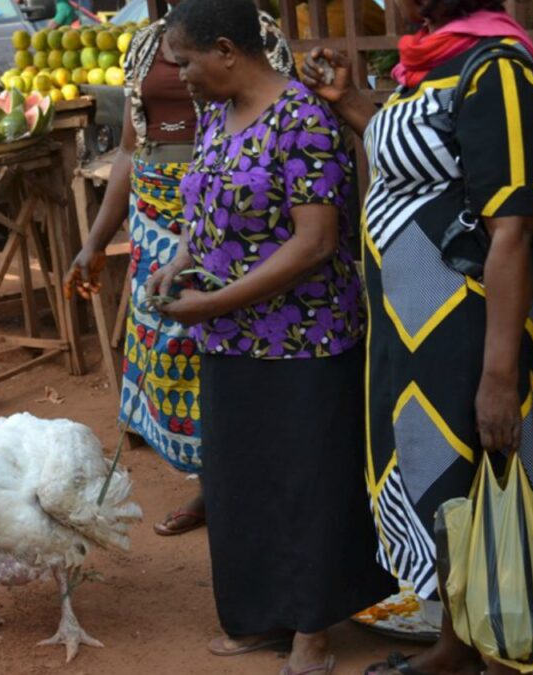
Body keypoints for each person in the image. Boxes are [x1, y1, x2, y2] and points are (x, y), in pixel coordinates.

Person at [303, 0, 533, 673]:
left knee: (482, 481)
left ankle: (504, 652)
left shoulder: (498, 68)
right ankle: (456, 642)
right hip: (410, 332)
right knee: (432, 480)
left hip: (472, 329)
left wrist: (500, 376)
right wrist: (352, 100)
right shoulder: (430, 61)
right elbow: (423, 164)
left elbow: (513, 227)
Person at [150, 0, 397, 671]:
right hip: (229, 339)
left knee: (307, 484)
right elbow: (201, 214)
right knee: (240, 480)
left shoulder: (304, 120)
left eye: (187, 62)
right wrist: (177, 266)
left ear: (227, 51)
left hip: (306, 342)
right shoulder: (213, 118)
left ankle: (313, 633)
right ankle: (262, 617)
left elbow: (316, 243)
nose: (182, 77)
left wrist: (214, 302)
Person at [65, 0, 295, 538]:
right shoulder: (145, 44)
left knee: (221, 350)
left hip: (226, 215)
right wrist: (96, 240)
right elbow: (130, 149)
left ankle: (235, 489)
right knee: (169, 357)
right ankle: (214, 483)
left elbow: (278, 136)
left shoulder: (254, 36)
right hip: (153, 212)